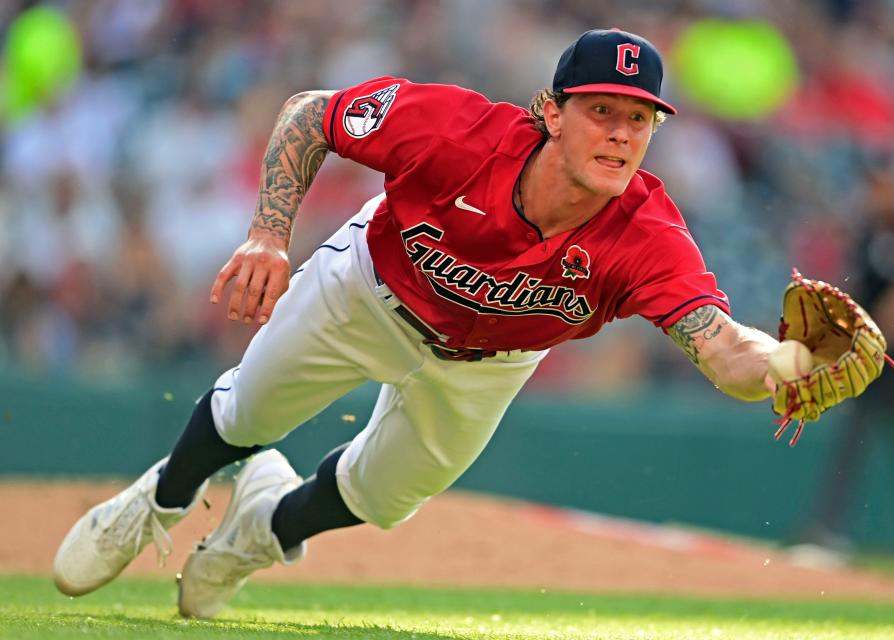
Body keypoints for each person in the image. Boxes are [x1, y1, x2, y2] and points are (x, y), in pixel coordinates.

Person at [52, 29, 836, 619]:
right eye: (601, 111)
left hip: (492, 361)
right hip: (369, 288)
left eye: (640, 118)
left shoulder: (647, 232)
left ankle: (257, 533)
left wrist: (790, 365)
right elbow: (310, 115)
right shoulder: (456, 132)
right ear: (550, 113)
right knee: (250, 411)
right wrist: (267, 233)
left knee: (387, 496)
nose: (622, 134)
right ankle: (158, 499)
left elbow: (721, 347)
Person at [798, 159, 894, 554]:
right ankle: (826, 527)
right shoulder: (865, 234)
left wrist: (873, 340)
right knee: (853, 436)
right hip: (869, 350)